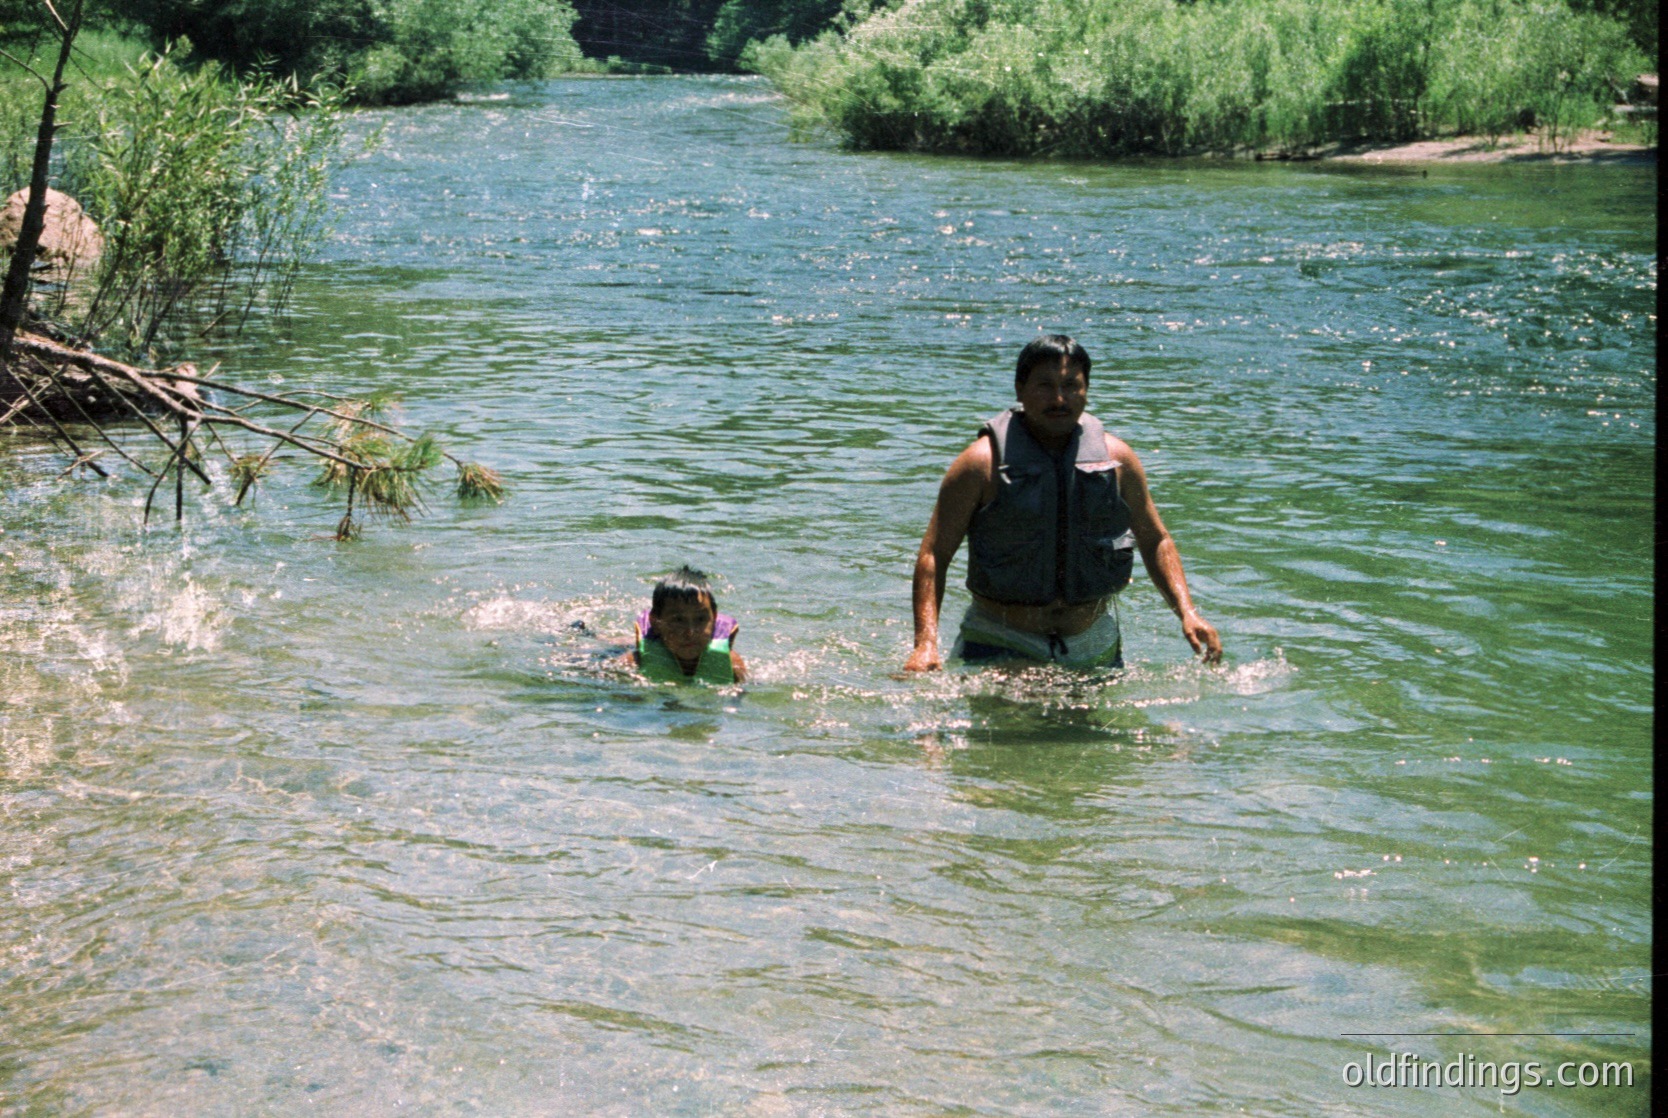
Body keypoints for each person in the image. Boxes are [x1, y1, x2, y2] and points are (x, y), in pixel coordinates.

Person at [904, 334, 1221, 672]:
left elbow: (1156, 539)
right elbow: (933, 554)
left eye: (1072, 385)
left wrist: (1187, 611)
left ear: (1087, 390)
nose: (1059, 398)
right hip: (1002, 637)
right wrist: (925, 643)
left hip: (1091, 639)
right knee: (1004, 725)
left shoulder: (1117, 460)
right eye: (1045, 386)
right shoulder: (980, 464)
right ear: (1019, 389)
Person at [621, 566, 748, 684]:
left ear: (714, 619)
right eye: (678, 620)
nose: (690, 632)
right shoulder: (632, 664)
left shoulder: (732, 666)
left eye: (700, 619)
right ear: (655, 622)